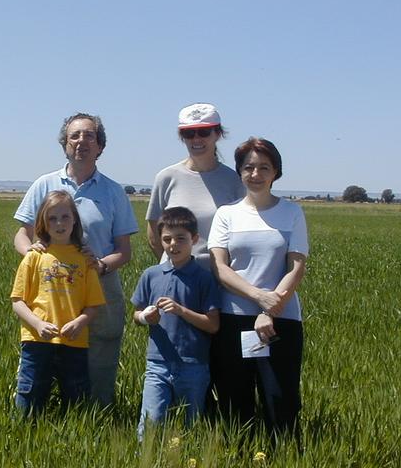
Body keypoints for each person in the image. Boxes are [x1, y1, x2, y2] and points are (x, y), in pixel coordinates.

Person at [13, 113, 138, 406]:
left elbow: (125, 249)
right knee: (42, 352)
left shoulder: (113, 191)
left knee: (101, 356)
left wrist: (101, 265)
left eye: (89, 136)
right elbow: (22, 235)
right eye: (75, 136)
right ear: (64, 144)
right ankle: (40, 410)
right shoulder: (44, 184)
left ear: (100, 146)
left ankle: (96, 414)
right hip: (49, 289)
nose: (82, 141)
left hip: (101, 287)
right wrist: (32, 255)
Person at [207, 137, 308, 442]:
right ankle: (239, 454)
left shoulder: (292, 213)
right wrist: (258, 298)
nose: (256, 174)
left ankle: (285, 455)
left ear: (276, 171)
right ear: (239, 171)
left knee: (281, 396)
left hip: (281, 320)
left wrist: (269, 309)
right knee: (234, 396)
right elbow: (220, 268)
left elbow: (296, 267)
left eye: (264, 167)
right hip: (234, 318)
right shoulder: (226, 214)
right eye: (249, 167)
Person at [10, 190, 106, 416]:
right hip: (36, 339)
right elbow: (17, 301)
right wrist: (38, 324)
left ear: (75, 220)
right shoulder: (35, 256)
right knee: (30, 393)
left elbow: (94, 305)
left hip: (74, 340)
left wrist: (80, 322)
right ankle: (26, 437)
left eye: (65, 217)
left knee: (76, 396)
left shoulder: (85, 259)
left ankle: (73, 440)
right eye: (52, 218)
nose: (59, 223)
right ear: (43, 222)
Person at [132, 207, 220, 440]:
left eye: (181, 238)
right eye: (167, 239)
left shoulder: (204, 278)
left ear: (194, 239)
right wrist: (145, 317)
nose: (173, 244)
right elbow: (136, 314)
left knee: (191, 426)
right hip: (157, 363)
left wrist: (182, 311)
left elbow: (213, 325)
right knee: (150, 424)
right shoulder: (151, 275)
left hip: (193, 364)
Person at [146, 102, 245, 271]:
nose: (196, 139)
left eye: (204, 132)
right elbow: (154, 233)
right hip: (175, 276)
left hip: (217, 281)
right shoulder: (166, 177)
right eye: (189, 133)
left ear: (218, 134)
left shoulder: (235, 181)